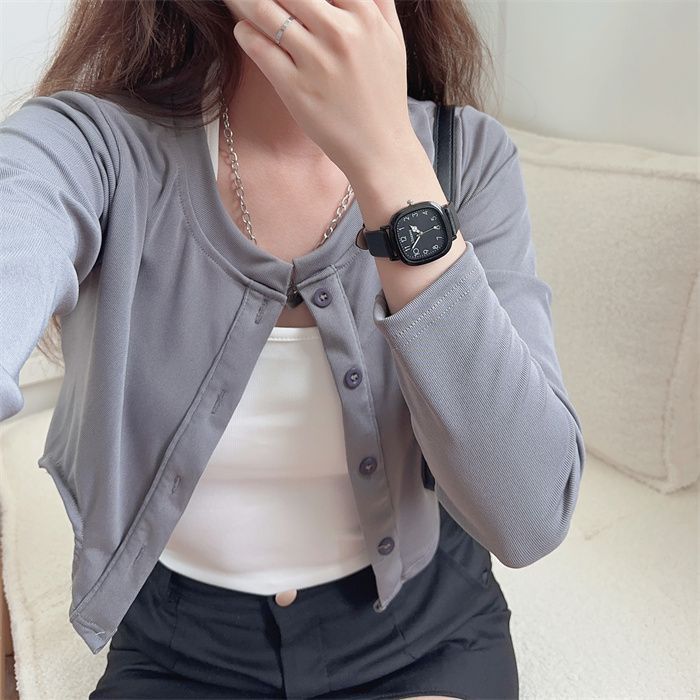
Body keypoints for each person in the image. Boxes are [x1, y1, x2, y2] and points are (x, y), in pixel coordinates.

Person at [0, 0, 586, 698]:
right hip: (179, 645)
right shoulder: (91, 146)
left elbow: (529, 516)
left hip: (423, 630)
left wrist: (387, 157)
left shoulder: (469, 156)